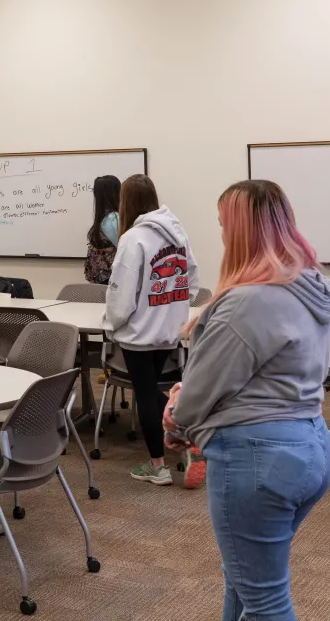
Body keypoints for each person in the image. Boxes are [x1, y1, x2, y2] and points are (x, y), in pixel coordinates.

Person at [164, 180, 330, 621]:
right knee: (244, 578)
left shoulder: (249, 301)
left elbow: (202, 389)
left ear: (241, 232)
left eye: (225, 226)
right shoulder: (307, 287)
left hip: (260, 458)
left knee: (265, 602)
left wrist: (177, 421)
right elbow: (253, 371)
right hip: (309, 445)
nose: (221, 235)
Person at [102, 174, 199, 485]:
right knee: (152, 390)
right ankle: (189, 435)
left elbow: (121, 295)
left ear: (126, 203)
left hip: (139, 333)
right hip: (169, 330)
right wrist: (174, 310)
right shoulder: (178, 233)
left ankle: (158, 465)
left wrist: (111, 325)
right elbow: (191, 279)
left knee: (145, 393)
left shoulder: (133, 238)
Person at [84, 174, 122, 284]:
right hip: (114, 282)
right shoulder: (115, 219)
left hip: (100, 282)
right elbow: (127, 250)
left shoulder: (101, 220)